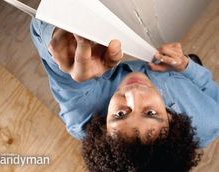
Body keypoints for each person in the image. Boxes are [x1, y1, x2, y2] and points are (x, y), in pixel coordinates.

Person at [30, 18, 219, 171]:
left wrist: (60, 40)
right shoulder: (209, 121)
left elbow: (39, 28)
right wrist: (186, 67)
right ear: (171, 119)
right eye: (151, 113)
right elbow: (212, 93)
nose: (133, 93)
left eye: (120, 115)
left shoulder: (82, 111)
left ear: (103, 130)